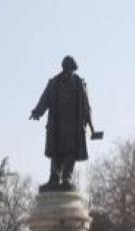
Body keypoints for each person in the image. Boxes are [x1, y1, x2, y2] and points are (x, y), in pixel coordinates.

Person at [30, 55, 94, 190]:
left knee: (70, 152)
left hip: (73, 126)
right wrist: (37, 112)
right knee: (56, 152)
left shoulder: (79, 84)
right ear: (63, 68)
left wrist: (90, 124)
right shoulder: (54, 83)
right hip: (57, 124)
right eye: (67, 69)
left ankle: (66, 178)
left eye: (71, 70)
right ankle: (54, 178)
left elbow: (86, 106)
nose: (68, 72)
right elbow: (45, 99)